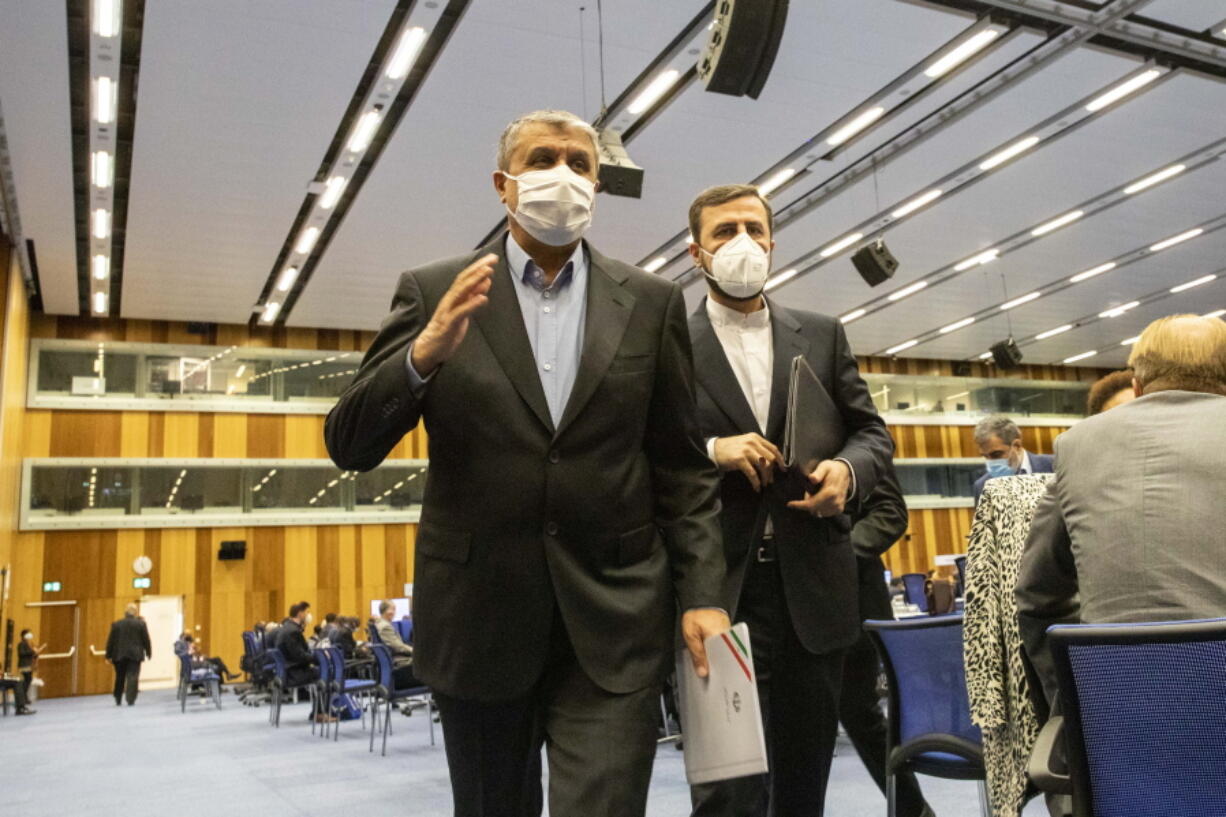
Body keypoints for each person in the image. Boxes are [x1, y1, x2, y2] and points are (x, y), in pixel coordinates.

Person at [325, 109, 728, 817]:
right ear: (503, 184)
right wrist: (423, 355)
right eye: (544, 158)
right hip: (479, 621)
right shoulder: (434, 290)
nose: (563, 175)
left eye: (580, 163)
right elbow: (348, 444)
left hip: (614, 621)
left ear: (598, 186)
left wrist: (703, 594)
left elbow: (683, 469)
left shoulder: (653, 303)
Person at [683, 184, 894, 817]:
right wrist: (715, 447)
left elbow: (872, 434)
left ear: (773, 243)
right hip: (720, 591)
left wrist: (846, 472)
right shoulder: (665, 339)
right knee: (729, 793)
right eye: (724, 232)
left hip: (815, 590)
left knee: (804, 787)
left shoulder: (823, 334)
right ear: (697, 252)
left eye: (753, 228)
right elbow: (642, 449)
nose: (741, 242)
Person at [1016, 314, 1226, 708]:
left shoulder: (1076, 446)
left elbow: (1036, 597)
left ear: (1136, 385)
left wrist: (1072, 704)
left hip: (1116, 719)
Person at [836, 468, 935, 817]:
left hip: (851, 597)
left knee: (859, 711)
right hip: (773, 596)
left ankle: (913, 809)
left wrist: (833, 553)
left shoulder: (852, 430)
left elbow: (890, 512)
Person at [972, 415, 1053, 503]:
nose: (991, 462)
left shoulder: (1056, 466)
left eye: (996, 454)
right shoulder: (983, 486)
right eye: (985, 456)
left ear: (1017, 446)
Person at [105, 603, 151, 706]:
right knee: (133, 676)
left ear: (125, 612)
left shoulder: (117, 624)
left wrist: (108, 655)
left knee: (120, 676)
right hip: (135, 654)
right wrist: (148, 652)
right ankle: (130, 698)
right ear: (135, 612)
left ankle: (118, 697)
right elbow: (146, 639)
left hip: (119, 654)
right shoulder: (141, 624)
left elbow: (111, 640)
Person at [375, 600, 420, 689]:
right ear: (387, 611)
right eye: (393, 609)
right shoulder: (385, 627)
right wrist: (416, 652)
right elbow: (398, 647)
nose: (394, 612)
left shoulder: (379, 624)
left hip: (392, 664)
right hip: (399, 665)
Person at [17, 628, 45, 699]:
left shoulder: (28, 644)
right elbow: (22, 653)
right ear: (24, 635)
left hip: (28, 664)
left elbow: (31, 654)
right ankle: (23, 696)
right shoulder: (21, 644)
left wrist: (36, 653)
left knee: (28, 680)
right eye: (28, 633)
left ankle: (24, 696)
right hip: (24, 665)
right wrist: (33, 652)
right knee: (27, 680)